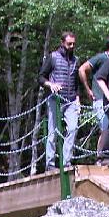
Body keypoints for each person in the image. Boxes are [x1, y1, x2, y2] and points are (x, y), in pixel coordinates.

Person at [37, 31, 81, 172]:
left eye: (73, 43)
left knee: (73, 128)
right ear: (62, 43)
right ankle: (50, 164)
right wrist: (51, 85)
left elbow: (77, 81)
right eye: (69, 43)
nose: (71, 46)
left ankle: (66, 162)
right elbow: (41, 77)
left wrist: (78, 99)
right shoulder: (53, 57)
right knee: (53, 132)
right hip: (55, 99)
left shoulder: (76, 60)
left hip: (71, 100)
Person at [78, 35, 109, 139]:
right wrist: (88, 89)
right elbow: (82, 69)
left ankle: (104, 154)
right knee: (104, 130)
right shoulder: (101, 58)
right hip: (100, 99)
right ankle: (101, 155)